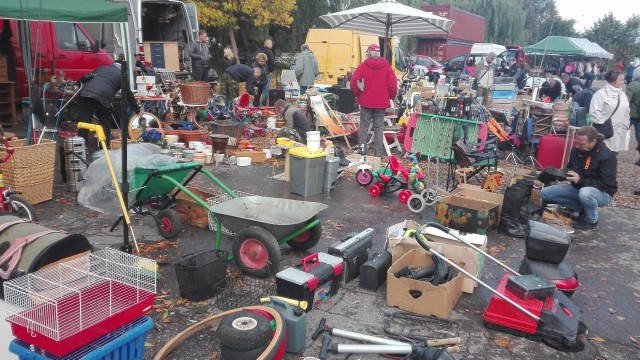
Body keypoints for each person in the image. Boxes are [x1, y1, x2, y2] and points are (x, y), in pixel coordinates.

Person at [540, 126, 617, 230]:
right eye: (577, 142)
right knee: (545, 193)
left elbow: (607, 184)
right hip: (579, 187)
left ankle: (591, 221)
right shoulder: (576, 151)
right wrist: (558, 174)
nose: (577, 146)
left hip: (602, 193)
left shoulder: (607, 156)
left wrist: (581, 181)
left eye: (581, 144)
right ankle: (582, 209)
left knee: (585, 194)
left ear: (593, 142)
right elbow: (570, 169)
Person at [76, 62, 140, 149]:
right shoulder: (122, 75)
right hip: (103, 96)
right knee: (104, 121)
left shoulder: (101, 67)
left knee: (84, 121)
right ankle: (104, 146)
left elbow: (81, 80)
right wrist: (136, 109)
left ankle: (80, 146)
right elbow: (128, 94)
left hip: (85, 94)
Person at [350, 44, 398, 157]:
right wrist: (389, 96)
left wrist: (358, 94)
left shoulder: (363, 66)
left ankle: (362, 152)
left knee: (364, 128)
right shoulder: (386, 66)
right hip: (381, 103)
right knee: (379, 128)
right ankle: (378, 154)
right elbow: (393, 85)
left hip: (366, 101)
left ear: (369, 53)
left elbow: (353, 82)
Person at [589, 70, 630, 154]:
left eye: (623, 80)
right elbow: (594, 112)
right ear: (613, 81)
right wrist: (602, 125)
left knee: (613, 157)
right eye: (621, 80)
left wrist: (626, 125)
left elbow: (627, 111)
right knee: (601, 156)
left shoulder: (622, 95)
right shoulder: (601, 94)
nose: (623, 82)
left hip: (619, 132)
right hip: (605, 133)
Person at [625, 66, 640, 165]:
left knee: (620, 132)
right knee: (639, 137)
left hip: (631, 114)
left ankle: (612, 153)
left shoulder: (633, 84)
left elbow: (626, 100)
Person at [257, 39, 275, 106]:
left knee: (259, 87)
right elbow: (273, 63)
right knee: (265, 88)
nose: (272, 45)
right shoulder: (269, 51)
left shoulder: (259, 51)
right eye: (271, 44)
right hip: (267, 71)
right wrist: (271, 71)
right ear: (268, 44)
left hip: (259, 71)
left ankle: (256, 102)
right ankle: (263, 104)